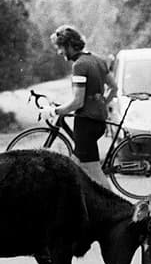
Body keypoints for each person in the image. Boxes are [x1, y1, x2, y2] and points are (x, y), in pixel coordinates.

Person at [49, 25, 117, 188]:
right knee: (76, 165)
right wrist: (102, 104)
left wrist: (54, 111)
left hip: (86, 123)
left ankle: (114, 205)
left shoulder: (79, 65)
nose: (59, 52)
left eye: (60, 47)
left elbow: (77, 102)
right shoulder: (98, 60)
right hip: (98, 122)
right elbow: (114, 88)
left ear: (69, 45)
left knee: (93, 170)